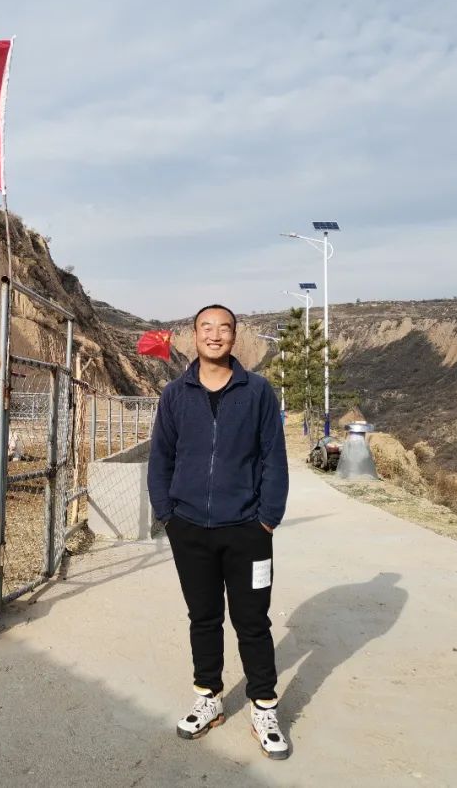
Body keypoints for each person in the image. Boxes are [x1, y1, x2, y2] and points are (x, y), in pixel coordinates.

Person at [147, 304, 290, 759]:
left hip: (248, 530)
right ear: (194, 336)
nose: (215, 335)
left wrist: (267, 518)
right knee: (203, 617)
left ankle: (264, 706)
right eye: (206, 328)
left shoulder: (258, 392)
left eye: (223, 328)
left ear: (234, 337)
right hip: (189, 528)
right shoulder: (175, 394)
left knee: (253, 621)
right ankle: (208, 697)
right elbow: (161, 459)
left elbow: (274, 458)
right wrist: (167, 515)